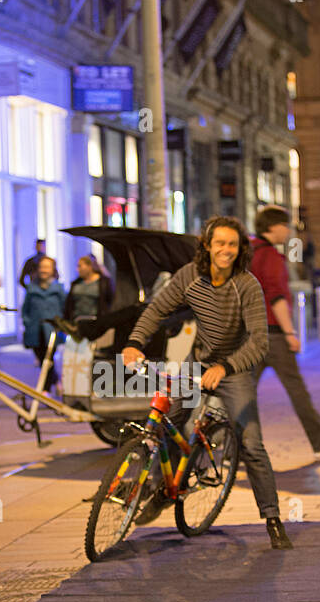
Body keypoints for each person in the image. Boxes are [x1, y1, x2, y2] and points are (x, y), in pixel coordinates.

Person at [123, 215, 294, 551]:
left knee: (252, 443)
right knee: (169, 421)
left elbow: (259, 342)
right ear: (207, 245)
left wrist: (227, 368)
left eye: (232, 244)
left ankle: (272, 518)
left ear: (240, 248)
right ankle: (164, 489)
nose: (226, 250)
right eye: (220, 243)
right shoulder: (190, 275)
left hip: (235, 368)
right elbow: (157, 309)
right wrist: (134, 342)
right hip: (196, 363)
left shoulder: (246, 285)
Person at [248, 205, 320, 456]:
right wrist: (290, 332)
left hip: (251, 335)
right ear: (273, 227)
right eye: (285, 225)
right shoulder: (270, 255)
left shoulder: (249, 252)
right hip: (274, 336)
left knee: (243, 395)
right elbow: (276, 295)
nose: (288, 230)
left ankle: (232, 446)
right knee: (296, 390)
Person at [21, 256, 66, 392]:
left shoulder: (58, 288)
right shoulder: (32, 287)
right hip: (35, 329)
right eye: (42, 267)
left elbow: (65, 308)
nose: (44, 270)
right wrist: (27, 322)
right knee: (42, 360)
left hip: (52, 330)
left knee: (48, 359)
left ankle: (45, 389)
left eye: (47, 267)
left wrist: (62, 325)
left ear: (53, 269)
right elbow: (25, 308)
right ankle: (57, 380)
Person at [64, 255, 114, 327]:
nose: (78, 269)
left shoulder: (104, 282)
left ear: (90, 266)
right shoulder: (76, 283)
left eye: (80, 266)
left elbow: (110, 301)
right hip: (77, 323)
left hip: (96, 324)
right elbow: (69, 304)